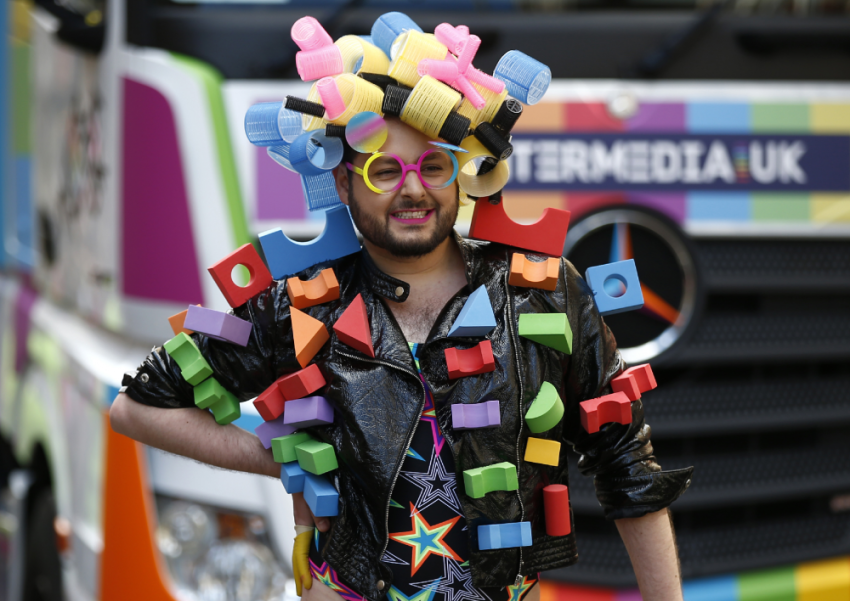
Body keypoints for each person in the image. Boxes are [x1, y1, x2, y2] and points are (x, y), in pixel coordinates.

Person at [110, 117, 693, 601]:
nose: (412, 190)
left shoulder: (541, 293)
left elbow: (625, 458)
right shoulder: (302, 301)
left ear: (459, 176)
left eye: (432, 167)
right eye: (384, 170)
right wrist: (287, 459)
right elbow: (137, 408)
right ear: (344, 184)